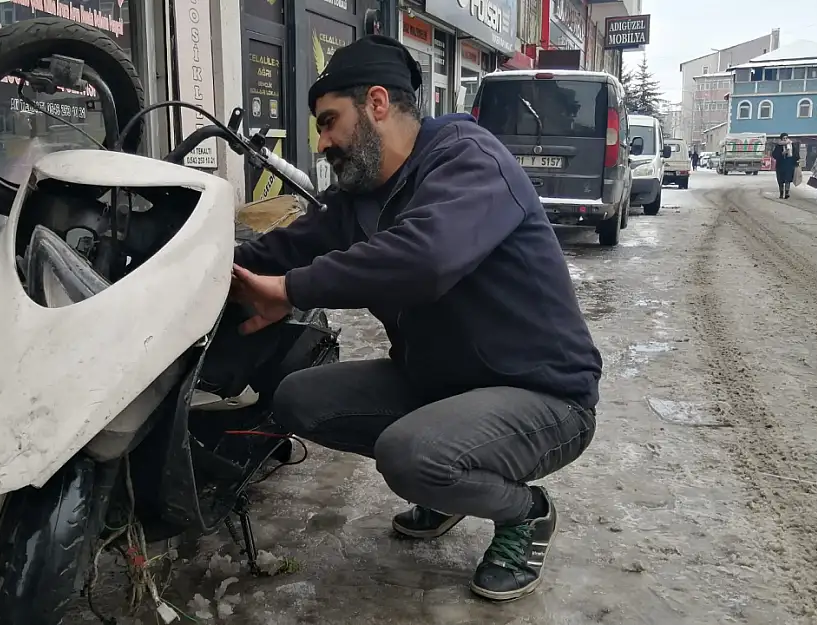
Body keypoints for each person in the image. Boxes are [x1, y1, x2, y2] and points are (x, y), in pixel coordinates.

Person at [229, 35, 601, 603]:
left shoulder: (469, 160)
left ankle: (525, 512)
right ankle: (449, 482)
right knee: (297, 398)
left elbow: (426, 260)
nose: (323, 141)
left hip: (544, 397)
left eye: (330, 122)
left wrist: (293, 289)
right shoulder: (358, 197)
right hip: (440, 384)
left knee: (412, 454)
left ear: (377, 103)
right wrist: (205, 261)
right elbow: (282, 249)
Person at [772, 133, 800, 199]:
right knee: (780, 180)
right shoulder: (778, 146)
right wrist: (782, 153)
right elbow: (774, 155)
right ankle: (781, 193)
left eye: (786, 138)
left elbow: (796, 154)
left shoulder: (791, 144)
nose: (785, 139)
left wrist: (795, 160)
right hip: (780, 165)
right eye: (783, 138)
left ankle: (787, 193)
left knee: (788, 179)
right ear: (781, 139)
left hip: (789, 164)